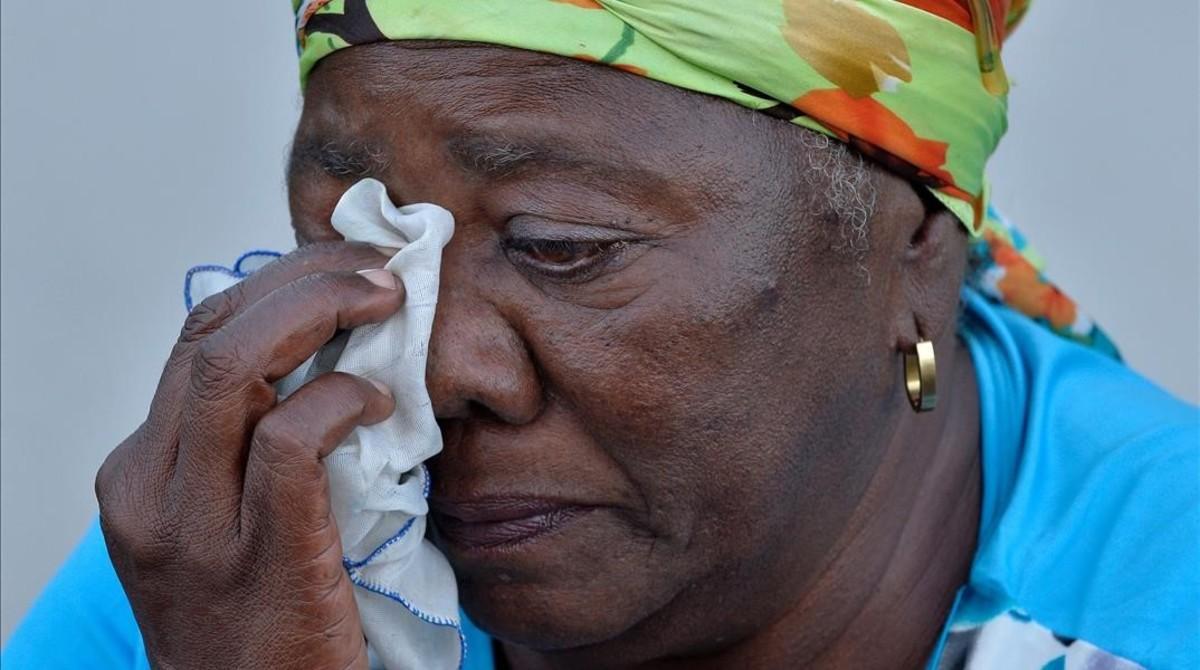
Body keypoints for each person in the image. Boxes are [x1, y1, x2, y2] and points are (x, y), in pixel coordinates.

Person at [4, 1, 1198, 668]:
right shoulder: (242, 583)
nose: (432, 366)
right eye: (363, 239)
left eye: (561, 246)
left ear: (912, 252)